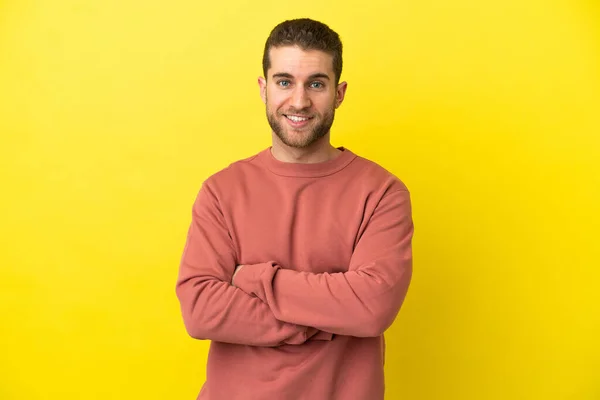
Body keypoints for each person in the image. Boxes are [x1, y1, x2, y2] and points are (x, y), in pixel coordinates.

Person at [176, 18, 414, 400]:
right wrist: (326, 320)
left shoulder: (382, 193)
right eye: (284, 81)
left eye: (316, 84)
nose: (299, 101)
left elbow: (372, 307)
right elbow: (200, 308)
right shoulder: (221, 191)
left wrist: (255, 281)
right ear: (263, 88)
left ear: (339, 93)